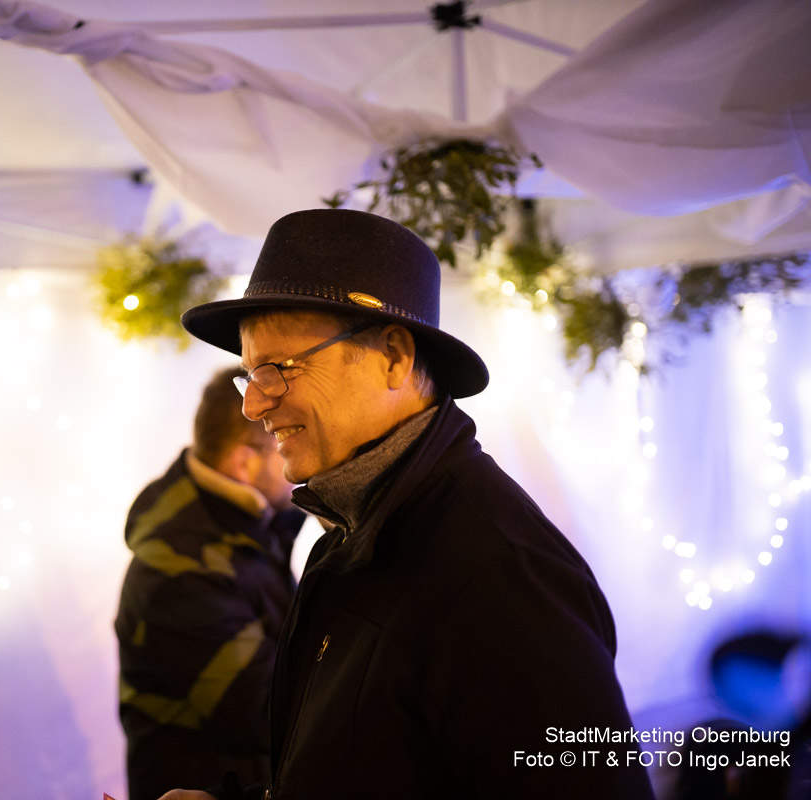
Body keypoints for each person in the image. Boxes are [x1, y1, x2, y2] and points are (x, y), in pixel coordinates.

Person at [162, 208, 655, 799]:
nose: (253, 405)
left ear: (394, 357)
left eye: (279, 369)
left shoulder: (500, 573)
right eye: (250, 376)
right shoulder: (354, 529)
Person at [116, 367, 307, 800]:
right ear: (244, 462)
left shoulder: (247, 519)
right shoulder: (178, 572)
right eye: (285, 439)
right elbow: (271, 713)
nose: (299, 459)